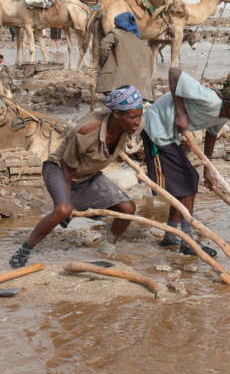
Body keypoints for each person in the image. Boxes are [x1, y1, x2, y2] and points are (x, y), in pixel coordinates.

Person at [8, 86, 145, 268]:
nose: (137, 122)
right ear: (117, 114)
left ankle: (107, 249)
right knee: (63, 209)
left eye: (139, 116)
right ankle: (23, 251)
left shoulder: (132, 126)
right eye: (133, 117)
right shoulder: (87, 131)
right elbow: (67, 164)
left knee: (128, 208)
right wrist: (68, 200)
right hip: (59, 169)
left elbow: (146, 137)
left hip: (87, 174)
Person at [142, 68, 230, 256]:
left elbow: (212, 135)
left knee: (184, 183)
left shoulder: (224, 114)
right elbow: (173, 73)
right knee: (188, 179)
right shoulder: (210, 99)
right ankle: (188, 241)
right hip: (157, 127)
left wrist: (208, 169)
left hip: (171, 135)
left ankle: (171, 235)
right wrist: (181, 113)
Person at [96, 12, 154, 102]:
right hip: (141, 92)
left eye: (115, 23)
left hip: (117, 85)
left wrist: (102, 64)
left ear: (118, 24)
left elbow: (104, 47)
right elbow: (150, 69)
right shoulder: (144, 45)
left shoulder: (115, 33)